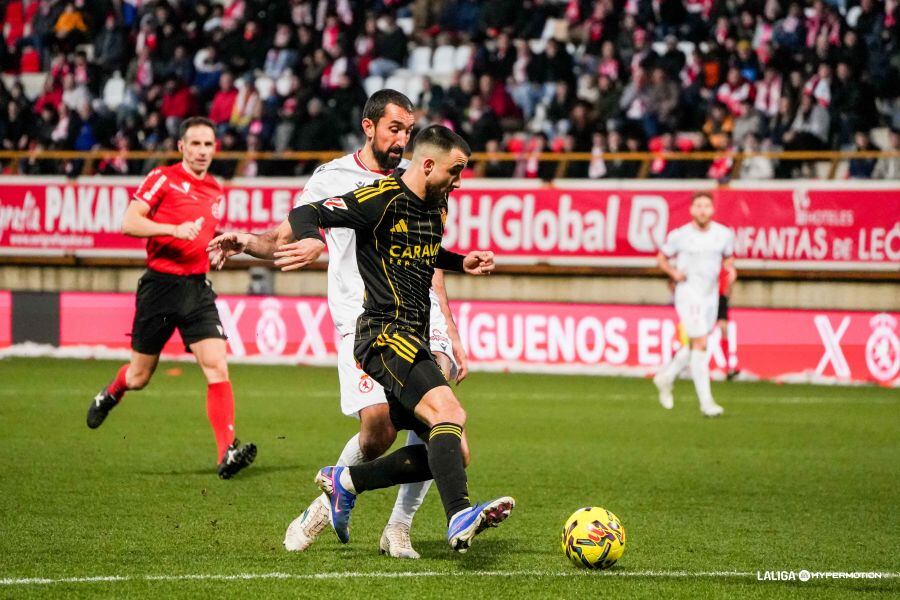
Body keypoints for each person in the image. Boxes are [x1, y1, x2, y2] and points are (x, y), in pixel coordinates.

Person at [216, 125, 515, 553]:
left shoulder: (437, 199)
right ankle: (458, 515)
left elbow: (425, 251)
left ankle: (347, 482)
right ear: (428, 164)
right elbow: (307, 214)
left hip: (415, 331)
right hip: (383, 332)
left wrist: (460, 260)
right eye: (457, 171)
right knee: (447, 411)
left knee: (453, 448)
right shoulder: (379, 198)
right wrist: (310, 242)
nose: (460, 181)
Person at [86, 117, 257, 480]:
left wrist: (217, 250)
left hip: (196, 288)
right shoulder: (162, 178)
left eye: (208, 145)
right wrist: (172, 229)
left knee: (217, 366)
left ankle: (226, 452)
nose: (202, 152)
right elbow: (129, 223)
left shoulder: (214, 189)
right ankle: (111, 393)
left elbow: (202, 238)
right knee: (139, 376)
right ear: (181, 147)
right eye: (195, 144)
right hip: (159, 287)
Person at [653, 191, 735, 417]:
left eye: (706, 206)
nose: (702, 210)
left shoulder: (724, 234)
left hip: (710, 296)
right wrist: (673, 272)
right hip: (688, 294)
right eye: (698, 205)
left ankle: (666, 377)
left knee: (697, 343)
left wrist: (731, 272)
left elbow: (728, 260)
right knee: (700, 343)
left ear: (712, 209)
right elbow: (661, 258)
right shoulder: (680, 235)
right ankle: (706, 404)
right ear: (691, 210)